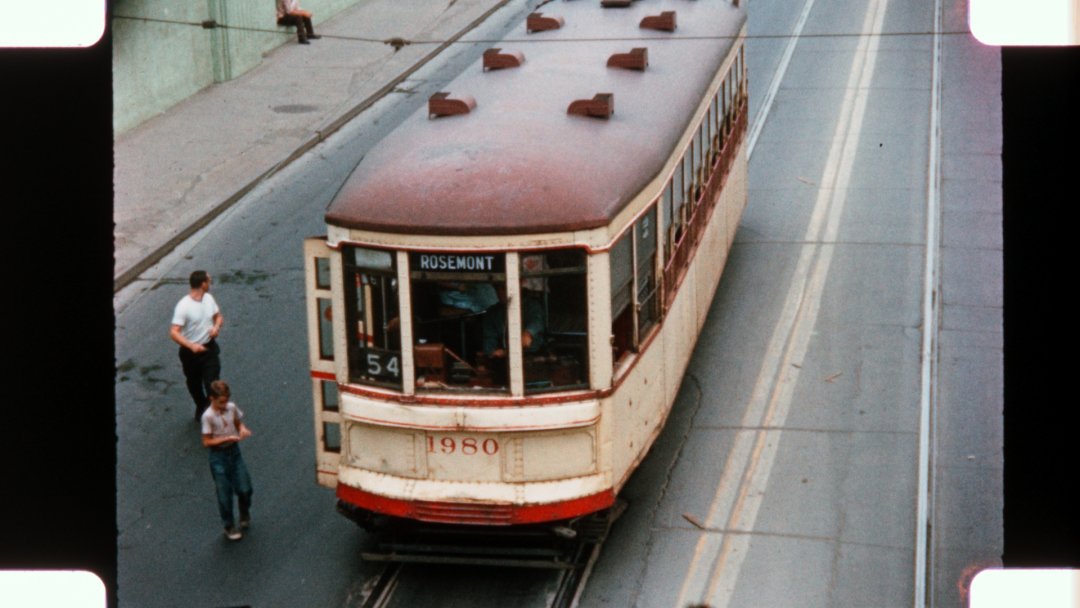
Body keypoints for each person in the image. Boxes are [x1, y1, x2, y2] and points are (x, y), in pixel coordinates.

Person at [201, 380, 254, 541]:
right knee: (224, 494)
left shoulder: (231, 408)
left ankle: (244, 511)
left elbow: (237, 422)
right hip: (218, 457)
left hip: (234, 453)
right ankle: (229, 525)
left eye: (226, 400)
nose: (224, 405)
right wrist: (226, 438)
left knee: (245, 488)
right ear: (212, 398)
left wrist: (242, 429)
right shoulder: (208, 416)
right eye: (221, 402)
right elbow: (206, 441)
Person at [170, 270, 223, 422]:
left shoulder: (209, 298)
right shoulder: (183, 306)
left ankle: (215, 416)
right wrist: (191, 346)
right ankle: (201, 404)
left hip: (208, 349)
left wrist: (216, 327)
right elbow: (174, 332)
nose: (211, 283)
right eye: (209, 280)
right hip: (190, 353)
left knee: (212, 384)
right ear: (203, 284)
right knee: (194, 384)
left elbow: (218, 316)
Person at [482, 285, 545, 358]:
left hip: (532, 356)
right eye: (497, 289)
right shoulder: (493, 312)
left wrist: (527, 334)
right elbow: (489, 340)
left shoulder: (532, 307)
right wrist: (491, 353)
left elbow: (534, 326)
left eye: (504, 288)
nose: (500, 292)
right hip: (504, 358)